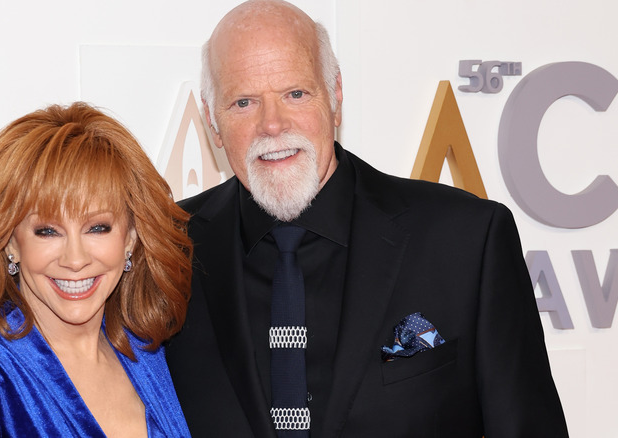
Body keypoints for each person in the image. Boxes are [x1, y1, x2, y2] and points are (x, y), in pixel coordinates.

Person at [165, 1, 569, 437]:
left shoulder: (467, 241)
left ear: (335, 96)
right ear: (212, 121)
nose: (273, 125)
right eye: (243, 102)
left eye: (296, 94)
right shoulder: (164, 248)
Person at [0, 102, 192, 437]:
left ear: (130, 237)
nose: (75, 259)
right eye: (47, 231)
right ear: (10, 241)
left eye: (98, 228)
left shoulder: (151, 355)